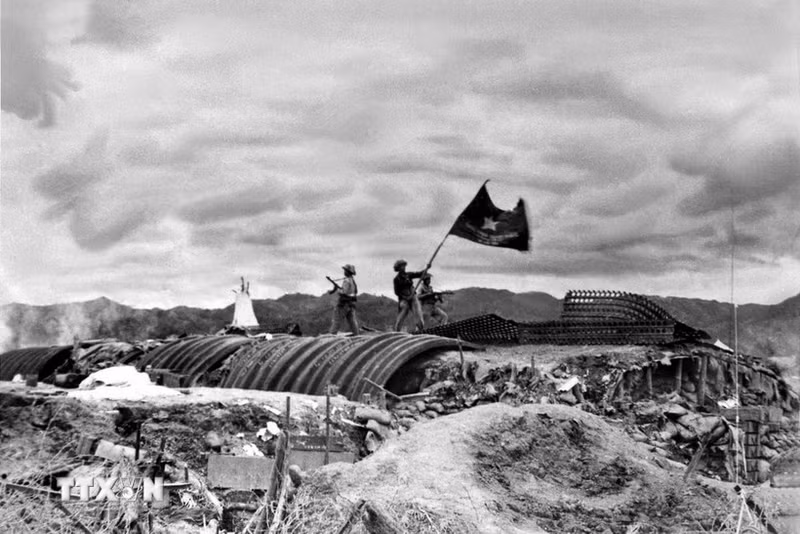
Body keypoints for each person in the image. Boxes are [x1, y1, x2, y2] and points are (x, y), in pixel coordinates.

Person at [393, 259, 427, 332]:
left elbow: (419, 274)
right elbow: (397, 292)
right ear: (398, 268)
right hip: (403, 299)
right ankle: (397, 330)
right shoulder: (396, 279)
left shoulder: (408, 275)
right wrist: (405, 297)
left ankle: (420, 329)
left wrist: (427, 268)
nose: (403, 268)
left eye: (404, 266)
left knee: (418, 313)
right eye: (401, 266)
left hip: (413, 297)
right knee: (404, 311)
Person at [329, 264, 359, 335]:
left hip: (344, 304)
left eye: (345, 270)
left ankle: (332, 335)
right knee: (352, 321)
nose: (344, 272)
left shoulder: (346, 280)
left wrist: (338, 289)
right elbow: (354, 291)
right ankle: (356, 334)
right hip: (351, 304)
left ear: (348, 272)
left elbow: (344, 292)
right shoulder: (352, 281)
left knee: (336, 320)